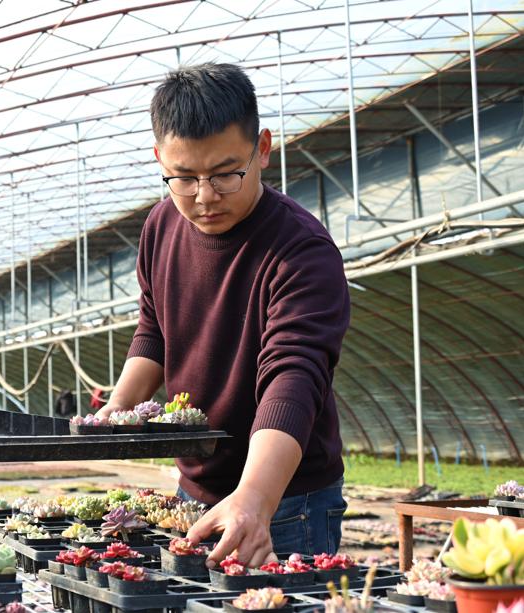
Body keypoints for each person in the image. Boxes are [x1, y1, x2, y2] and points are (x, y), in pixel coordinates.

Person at [95, 63, 351, 570]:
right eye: (184, 178)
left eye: (226, 174)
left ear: (262, 149)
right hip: (196, 490)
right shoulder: (161, 225)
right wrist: (117, 410)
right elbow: (156, 329)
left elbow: (293, 376)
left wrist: (254, 498)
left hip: (286, 501)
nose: (205, 196)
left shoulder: (301, 251)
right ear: (159, 159)